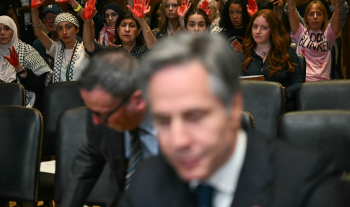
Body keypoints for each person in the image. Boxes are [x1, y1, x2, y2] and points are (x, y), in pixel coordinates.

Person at [118, 33, 350, 207]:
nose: (178, 141)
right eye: (164, 121)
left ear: (234, 106)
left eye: (195, 116)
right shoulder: (147, 180)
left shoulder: (307, 185)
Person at [61, 49, 158, 207]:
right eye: (92, 111)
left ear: (137, 101)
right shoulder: (101, 110)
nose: (95, 121)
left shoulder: (174, 119)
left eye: (102, 114)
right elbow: (88, 159)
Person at [286, 0, 344, 81]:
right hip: (303, 83)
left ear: (324, 17)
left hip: (324, 83)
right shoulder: (299, 32)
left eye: (319, 14)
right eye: (311, 14)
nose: (315, 17)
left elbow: (338, 11)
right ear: (306, 17)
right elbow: (291, 10)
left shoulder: (329, 34)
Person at [237, 10, 304, 110]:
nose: (258, 31)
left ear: (273, 30)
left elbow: (299, 83)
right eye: (255, 26)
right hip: (251, 107)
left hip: (280, 106)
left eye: (264, 28)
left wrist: (283, 92)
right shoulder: (242, 56)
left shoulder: (287, 53)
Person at [31, 0, 90, 83]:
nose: (64, 32)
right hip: (60, 95)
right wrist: (34, 10)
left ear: (77, 29)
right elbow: (38, 32)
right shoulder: (57, 49)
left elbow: (89, 22)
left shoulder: (86, 47)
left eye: (68, 27)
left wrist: (72, 2)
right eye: (60, 28)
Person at [84, 0, 156, 61]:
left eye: (132, 26)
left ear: (138, 31)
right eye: (123, 25)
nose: (127, 29)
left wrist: (141, 20)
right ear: (117, 30)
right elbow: (89, 47)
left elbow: (154, 47)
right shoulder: (112, 52)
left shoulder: (144, 51)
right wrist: (87, 22)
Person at [0, 16, 52, 109]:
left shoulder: (27, 51)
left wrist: (18, 67)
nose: (2, 33)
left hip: (25, 109)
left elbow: (39, 86)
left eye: (7, 29)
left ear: (14, 31)